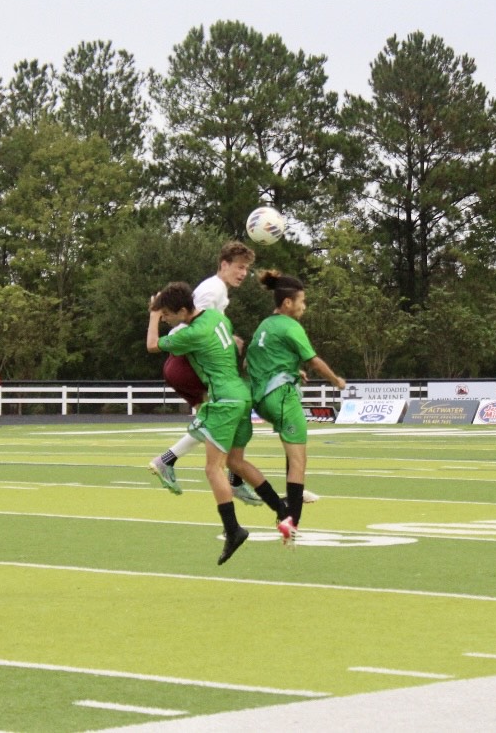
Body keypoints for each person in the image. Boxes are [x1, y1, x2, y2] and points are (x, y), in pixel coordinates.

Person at [146, 241, 319, 506]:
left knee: (228, 413)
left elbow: (209, 326)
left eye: (247, 269)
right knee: (229, 409)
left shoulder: (219, 291)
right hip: (183, 361)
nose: (243, 273)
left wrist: (230, 337)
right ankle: (177, 463)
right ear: (224, 264)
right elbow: (190, 324)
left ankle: (227, 476)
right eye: (239, 267)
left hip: (186, 360)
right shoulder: (212, 289)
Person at [146, 281, 288, 565]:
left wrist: (151, 314)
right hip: (240, 395)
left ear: (184, 310)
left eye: (168, 315)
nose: (165, 319)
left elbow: (152, 345)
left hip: (223, 400)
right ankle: (282, 510)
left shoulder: (193, 333)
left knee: (213, 469)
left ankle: (233, 530)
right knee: (237, 463)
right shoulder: (216, 317)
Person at [245, 271, 346, 544]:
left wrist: (291, 370)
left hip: (261, 398)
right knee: (300, 461)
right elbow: (314, 360)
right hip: (282, 399)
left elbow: (252, 362)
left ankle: (285, 511)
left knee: (291, 455)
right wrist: (335, 380)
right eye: (302, 301)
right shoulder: (291, 327)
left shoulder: (265, 325)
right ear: (288, 303)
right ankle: (291, 521)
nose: (304, 306)